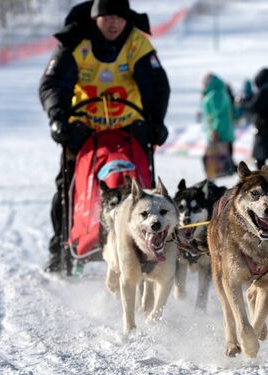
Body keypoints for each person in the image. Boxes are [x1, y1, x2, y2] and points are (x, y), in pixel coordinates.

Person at [39, 0, 170, 273]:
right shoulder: (76, 42)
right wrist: (58, 119)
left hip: (128, 129)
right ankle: (61, 245)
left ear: (127, 19)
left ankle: (146, 243)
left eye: (119, 17)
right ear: (95, 17)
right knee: (67, 186)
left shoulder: (136, 43)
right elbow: (53, 84)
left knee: (137, 186)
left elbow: (157, 86)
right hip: (84, 130)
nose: (113, 23)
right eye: (106, 17)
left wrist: (155, 122)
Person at [200, 73, 236, 172]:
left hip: (219, 135)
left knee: (211, 164)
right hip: (221, 133)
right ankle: (213, 184)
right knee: (215, 164)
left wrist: (215, 131)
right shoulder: (218, 91)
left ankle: (212, 186)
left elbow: (218, 115)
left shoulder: (216, 93)